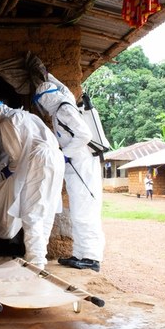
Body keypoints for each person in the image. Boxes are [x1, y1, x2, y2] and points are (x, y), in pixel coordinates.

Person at [0, 98, 65, 269]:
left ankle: (36, 261)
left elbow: (16, 155)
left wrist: (8, 171)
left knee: (31, 211)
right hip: (56, 158)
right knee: (46, 209)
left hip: (39, 160)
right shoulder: (26, 115)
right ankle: (40, 255)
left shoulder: (7, 121)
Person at [33, 74, 106, 272]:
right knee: (78, 211)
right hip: (76, 165)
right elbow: (62, 86)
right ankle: (80, 254)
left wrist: (64, 154)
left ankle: (91, 257)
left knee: (85, 211)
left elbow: (84, 134)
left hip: (82, 165)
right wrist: (46, 75)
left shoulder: (64, 109)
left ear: (46, 99)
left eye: (41, 102)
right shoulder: (63, 101)